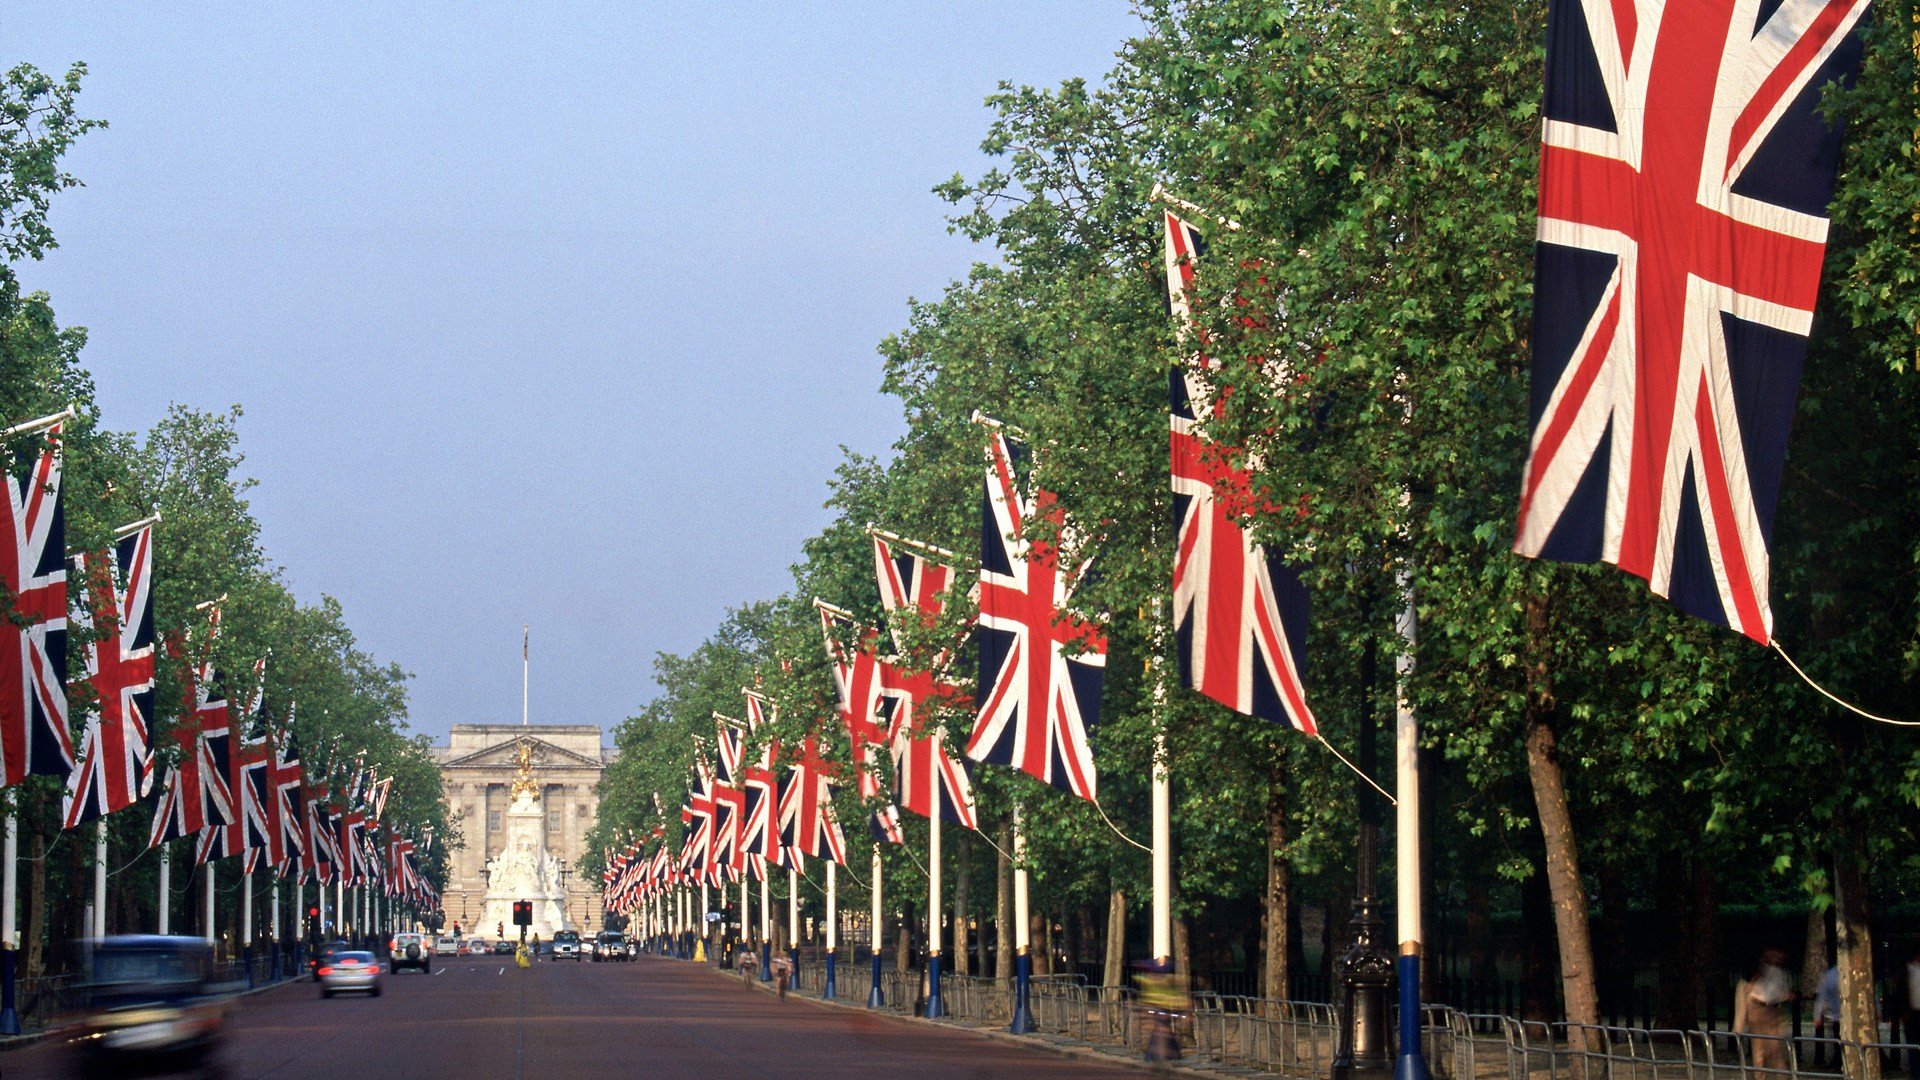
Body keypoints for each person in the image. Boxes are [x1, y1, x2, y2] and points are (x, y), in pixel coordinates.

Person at [1738, 949, 1795, 1072]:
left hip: (1773, 1010)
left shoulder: (1781, 973)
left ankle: (1778, 1074)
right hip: (1758, 1008)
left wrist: (1787, 996)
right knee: (1758, 1046)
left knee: (1775, 1046)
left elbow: (1783, 993)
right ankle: (1760, 1074)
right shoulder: (1759, 969)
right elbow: (1747, 988)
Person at [1811, 965, 1839, 1067]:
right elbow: (1822, 996)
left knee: (1837, 1040)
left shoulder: (1829, 975)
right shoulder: (1830, 975)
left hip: (1835, 1014)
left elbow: (1821, 997)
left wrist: (1817, 1014)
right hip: (1837, 1014)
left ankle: (1836, 1060)